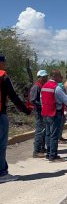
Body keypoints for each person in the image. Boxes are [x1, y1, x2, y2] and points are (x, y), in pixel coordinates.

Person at [0, 55, 31, 183]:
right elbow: (13, 96)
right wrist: (26, 110)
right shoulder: (3, 77)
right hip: (0, 115)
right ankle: (2, 174)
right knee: (1, 145)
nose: (6, 64)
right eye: (4, 62)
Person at [41, 69, 67, 162]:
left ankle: (48, 154)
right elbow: (66, 100)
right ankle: (53, 156)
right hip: (55, 113)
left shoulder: (44, 86)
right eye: (60, 76)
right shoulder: (57, 87)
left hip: (45, 113)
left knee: (48, 134)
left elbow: (42, 99)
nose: (62, 78)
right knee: (54, 135)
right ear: (54, 77)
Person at [29, 70, 49, 158]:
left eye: (46, 77)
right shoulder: (36, 87)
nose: (45, 78)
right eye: (43, 77)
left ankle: (41, 148)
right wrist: (42, 105)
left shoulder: (42, 86)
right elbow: (33, 100)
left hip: (43, 111)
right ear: (39, 77)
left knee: (43, 130)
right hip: (39, 112)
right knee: (39, 131)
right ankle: (36, 151)